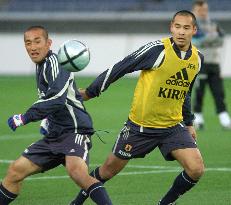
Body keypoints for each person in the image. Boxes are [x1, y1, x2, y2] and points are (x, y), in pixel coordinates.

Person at [70, 10, 205, 205]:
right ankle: (76, 203)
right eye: (177, 27)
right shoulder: (157, 50)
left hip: (172, 128)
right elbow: (121, 67)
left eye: (186, 28)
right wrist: (91, 91)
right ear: (171, 27)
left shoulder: (197, 59)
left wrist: (189, 122)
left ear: (194, 30)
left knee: (196, 169)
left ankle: (165, 203)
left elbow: (186, 90)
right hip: (139, 128)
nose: (181, 32)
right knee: (107, 171)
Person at [0, 26, 112, 205]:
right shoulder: (42, 65)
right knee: (15, 171)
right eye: (28, 43)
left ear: (48, 43)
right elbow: (56, 97)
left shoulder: (55, 62)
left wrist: (24, 117)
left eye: (37, 41)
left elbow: (57, 98)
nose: (33, 47)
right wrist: (47, 120)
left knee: (78, 173)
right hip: (55, 135)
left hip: (74, 131)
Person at [192, 0, 231, 130]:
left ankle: (224, 118)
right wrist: (212, 36)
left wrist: (208, 38)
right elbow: (195, 41)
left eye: (205, 10)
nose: (203, 12)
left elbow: (221, 40)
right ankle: (198, 118)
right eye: (200, 10)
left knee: (219, 92)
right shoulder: (192, 25)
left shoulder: (213, 24)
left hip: (214, 62)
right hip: (200, 63)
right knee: (199, 92)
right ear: (195, 10)